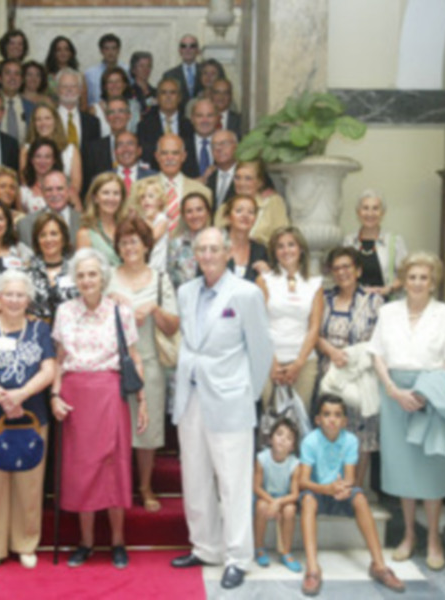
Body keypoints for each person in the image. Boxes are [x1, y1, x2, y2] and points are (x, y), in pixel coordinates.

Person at [170, 227, 272, 591]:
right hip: (191, 396)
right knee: (194, 477)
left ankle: (236, 557)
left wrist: (247, 393)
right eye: (202, 249)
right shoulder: (185, 292)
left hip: (230, 399)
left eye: (215, 249)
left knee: (232, 481)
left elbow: (261, 351)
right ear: (195, 255)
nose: (208, 255)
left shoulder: (245, 293)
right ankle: (206, 547)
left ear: (229, 253)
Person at [51, 248, 148, 569]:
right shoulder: (64, 311)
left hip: (109, 395)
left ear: (102, 277)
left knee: (113, 467)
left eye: (93, 274)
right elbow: (60, 359)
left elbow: (134, 358)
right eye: (81, 275)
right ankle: (86, 543)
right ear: (74, 279)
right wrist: (54, 395)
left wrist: (143, 401)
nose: (87, 280)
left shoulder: (120, 311)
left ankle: (118, 542)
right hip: (75, 396)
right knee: (81, 471)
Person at [369, 251, 445, 572]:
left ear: (433, 281)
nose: (418, 283)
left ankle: (433, 538)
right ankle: (409, 535)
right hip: (395, 393)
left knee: (432, 470)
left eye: (424, 277)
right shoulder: (389, 312)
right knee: (404, 469)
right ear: (404, 281)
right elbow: (377, 355)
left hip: (431, 395)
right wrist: (394, 391)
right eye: (412, 277)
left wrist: (427, 390)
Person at [0, 271, 56, 572]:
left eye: (20, 295)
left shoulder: (40, 331)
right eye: (9, 294)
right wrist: (3, 396)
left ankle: (26, 544)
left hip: (31, 418)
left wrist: (21, 395)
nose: (15, 300)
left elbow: (48, 369)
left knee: (29, 485)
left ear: (28, 299)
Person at [107, 217, 179, 512]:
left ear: (147, 245)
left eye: (135, 241)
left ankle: (145, 486)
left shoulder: (161, 279)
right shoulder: (107, 276)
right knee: (115, 430)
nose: (129, 247)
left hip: (149, 364)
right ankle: (118, 488)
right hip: (112, 365)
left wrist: (154, 308)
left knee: (147, 433)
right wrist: (110, 303)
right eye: (124, 242)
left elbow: (173, 326)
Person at [299, 395, 405, 595]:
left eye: (338, 415)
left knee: (359, 497)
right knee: (307, 500)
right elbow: (303, 481)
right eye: (327, 414)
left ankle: (379, 565)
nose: (332, 419)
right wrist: (327, 489)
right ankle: (313, 569)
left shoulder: (350, 440)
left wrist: (343, 488)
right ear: (318, 419)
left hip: (340, 491)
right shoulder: (310, 441)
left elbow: (350, 477)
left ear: (345, 421)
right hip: (318, 492)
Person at [315, 247, 383, 488]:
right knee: (330, 430)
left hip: (361, 377)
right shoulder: (323, 299)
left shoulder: (374, 301)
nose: (342, 272)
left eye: (347, 267)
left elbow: (381, 340)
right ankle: (329, 486)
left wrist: (354, 357)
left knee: (361, 436)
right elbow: (314, 333)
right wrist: (332, 352)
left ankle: (356, 489)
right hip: (332, 376)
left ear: (358, 270)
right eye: (337, 268)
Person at [258, 226, 324, 412]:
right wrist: (272, 362)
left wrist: (298, 364)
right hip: (269, 362)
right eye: (280, 246)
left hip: (303, 362)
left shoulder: (315, 284)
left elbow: (314, 327)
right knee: (270, 425)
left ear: (301, 248)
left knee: (299, 425)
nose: (286, 251)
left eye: (291, 245)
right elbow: (259, 326)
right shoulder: (264, 280)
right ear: (274, 252)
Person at [131, 134, 213, 236]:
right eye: (164, 153)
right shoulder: (139, 187)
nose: (169, 158)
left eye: (175, 153)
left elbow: (207, 232)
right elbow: (130, 226)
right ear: (157, 156)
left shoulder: (202, 191)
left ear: (183, 156)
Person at [253, 418, 301, 573]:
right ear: (270, 438)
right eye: (279, 434)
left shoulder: (294, 464)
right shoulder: (262, 458)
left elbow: (294, 494)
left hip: (284, 498)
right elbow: (256, 487)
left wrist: (278, 502)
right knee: (261, 506)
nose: (283, 440)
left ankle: (286, 551)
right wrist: (271, 502)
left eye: (289, 438)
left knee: (290, 510)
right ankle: (259, 547)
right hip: (265, 496)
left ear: (292, 446)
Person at [342, 189, 408, 297]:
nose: (370, 213)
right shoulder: (348, 242)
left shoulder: (395, 241)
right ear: (358, 212)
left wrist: (388, 289)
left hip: (386, 303)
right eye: (365, 208)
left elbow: (405, 275)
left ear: (382, 213)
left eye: (375, 208)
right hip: (355, 303)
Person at [20, 104, 83, 205]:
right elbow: (25, 181)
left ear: (56, 121)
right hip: (34, 203)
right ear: (33, 123)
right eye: (38, 119)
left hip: (66, 203)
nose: (43, 123)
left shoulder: (70, 150)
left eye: (47, 118)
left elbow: (75, 186)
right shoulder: (26, 149)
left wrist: (57, 200)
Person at [26, 211, 79, 322]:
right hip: (37, 335)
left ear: (63, 238)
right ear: (37, 240)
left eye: (54, 234)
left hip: (70, 334)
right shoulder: (25, 273)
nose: (48, 239)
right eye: (42, 235)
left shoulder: (76, 271)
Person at [137, 78, 195, 170]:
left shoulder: (190, 125)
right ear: (157, 98)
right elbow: (145, 159)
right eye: (164, 93)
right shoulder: (144, 126)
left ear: (179, 97)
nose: (168, 97)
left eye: (172, 93)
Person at [76, 172, 131, 266]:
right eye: (106, 193)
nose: (111, 198)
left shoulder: (128, 228)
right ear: (95, 198)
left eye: (116, 193)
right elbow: (83, 272)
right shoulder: (85, 234)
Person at [18, 170, 81, 248]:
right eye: (49, 190)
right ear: (42, 193)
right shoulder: (26, 224)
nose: (54, 194)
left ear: (68, 191)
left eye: (60, 189)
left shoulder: (85, 222)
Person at [83, 97, 135, 191]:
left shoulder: (141, 146)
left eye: (121, 111)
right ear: (106, 118)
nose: (116, 116)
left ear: (129, 115)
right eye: (112, 112)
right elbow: (89, 186)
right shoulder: (93, 149)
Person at [234, 159, 289, 246]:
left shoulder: (272, 202)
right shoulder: (224, 208)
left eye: (248, 178)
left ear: (260, 182)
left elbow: (284, 238)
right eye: (237, 177)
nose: (241, 183)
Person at [167, 192, 212, 290]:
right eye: (189, 211)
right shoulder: (175, 245)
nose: (195, 215)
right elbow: (170, 279)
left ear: (208, 212)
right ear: (183, 216)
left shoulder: (220, 241)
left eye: (199, 210)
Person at [219, 194, 269, 282]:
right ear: (228, 217)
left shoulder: (261, 251)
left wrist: (268, 275)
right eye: (239, 211)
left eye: (251, 212)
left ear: (255, 219)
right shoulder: (215, 246)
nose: (245, 215)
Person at [55, 68, 101, 154]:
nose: (69, 89)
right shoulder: (48, 120)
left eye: (73, 86)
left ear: (80, 91)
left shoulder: (93, 122)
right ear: (57, 90)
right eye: (64, 86)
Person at [91, 67, 141, 137]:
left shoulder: (134, 106)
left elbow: (137, 133)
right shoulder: (94, 110)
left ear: (124, 85)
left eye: (118, 81)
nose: (114, 85)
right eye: (110, 82)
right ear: (105, 86)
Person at [0, 59, 35, 143]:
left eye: (17, 74)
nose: (12, 78)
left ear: (22, 80)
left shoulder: (31, 108)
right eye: (8, 73)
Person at [20, 138, 65, 214]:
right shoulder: (23, 192)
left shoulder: (67, 189)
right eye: (38, 156)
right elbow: (21, 222)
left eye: (47, 157)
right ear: (31, 160)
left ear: (54, 160)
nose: (42, 161)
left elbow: (78, 220)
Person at [84, 33, 130, 107]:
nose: (110, 52)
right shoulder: (90, 74)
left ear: (118, 50)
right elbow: (86, 100)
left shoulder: (128, 71)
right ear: (101, 51)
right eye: (106, 49)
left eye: (113, 48)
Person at [133, 177, 168, 273]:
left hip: (158, 267)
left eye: (151, 196)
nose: (146, 200)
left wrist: (147, 221)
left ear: (160, 201)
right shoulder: (142, 219)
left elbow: (152, 238)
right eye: (142, 197)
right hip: (144, 266)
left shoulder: (162, 219)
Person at [162, 34, 202, 109]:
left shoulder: (206, 72)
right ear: (179, 51)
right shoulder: (169, 75)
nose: (188, 50)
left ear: (197, 50)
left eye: (192, 46)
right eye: (184, 46)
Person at [44, 37, 86, 107]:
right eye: (58, 50)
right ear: (53, 53)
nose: (63, 53)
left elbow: (83, 104)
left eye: (66, 49)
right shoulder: (47, 76)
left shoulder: (79, 76)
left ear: (71, 53)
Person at [184, 98, 219, 178]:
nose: (205, 120)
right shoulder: (181, 146)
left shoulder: (227, 146)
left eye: (209, 115)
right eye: (199, 116)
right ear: (192, 119)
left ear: (217, 118)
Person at [206, 130, 239, 214]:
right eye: (214, 145)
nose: (218, 148)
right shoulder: (209, 177)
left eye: (224, 144)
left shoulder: (248, 176)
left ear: (236, 146)